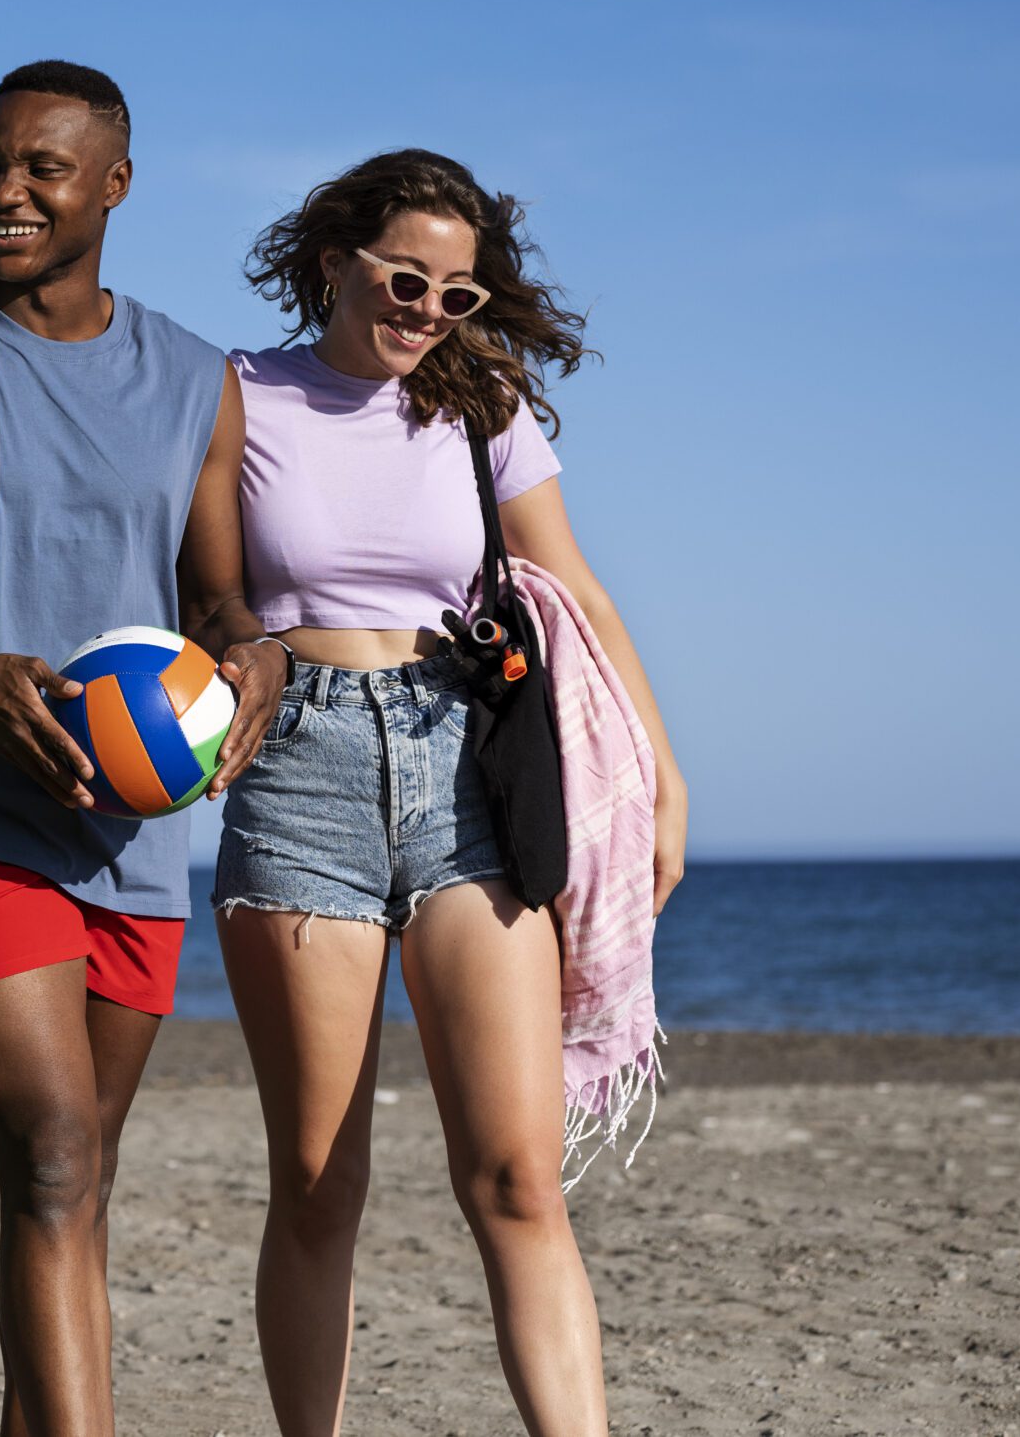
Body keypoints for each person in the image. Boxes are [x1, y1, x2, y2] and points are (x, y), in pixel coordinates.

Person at [210, 148, 688, 1436]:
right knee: (318, 1182)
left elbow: (574, 586)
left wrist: (661, 776)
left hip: (467, 764)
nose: (427, 311)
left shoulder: (484, 409)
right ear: (335, 262)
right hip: (298, 769)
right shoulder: (233, 397)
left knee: (520, 1178)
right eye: (405, 278)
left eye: (457, 294)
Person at [0, 60, 286, 1437]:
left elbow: (217, 595)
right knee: (47, 1153)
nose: (7, 193)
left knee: (79, 1179)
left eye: (44, 167)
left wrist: (256, 658)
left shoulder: (196, 378)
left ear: (115, 183)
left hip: (142, 834)